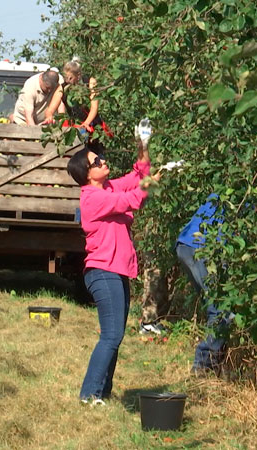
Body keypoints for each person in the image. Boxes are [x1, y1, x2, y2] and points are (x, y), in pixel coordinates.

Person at [66, 128, 161, 405]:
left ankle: (101, 395)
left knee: (114, 337)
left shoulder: (107, 187)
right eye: (97, 162)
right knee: (111, 335)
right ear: (86, 173)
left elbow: (138, 175)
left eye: (102, 158)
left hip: (117, 270)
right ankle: (89, 394)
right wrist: (147, 185)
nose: (103, 162)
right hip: (103, 271)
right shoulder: (92, 198)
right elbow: (129, 199)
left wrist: (143, 143)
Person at [175, 193, 234, 375]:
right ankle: (203, 365)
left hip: (185, 245)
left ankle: (215, 365)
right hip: (204, 248)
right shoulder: (246, 196)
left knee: (214, 307)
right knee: (222, 311)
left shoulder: (225, 189)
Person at [52, 59, 113, 151]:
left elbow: (94, 107)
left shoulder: (90, 82)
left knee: (95, 153)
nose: (67, 81)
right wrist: (49, 116)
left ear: (78, 75)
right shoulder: (63, 87)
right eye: (65, 77)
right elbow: (51, 108)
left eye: (70, 78)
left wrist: (86, 123)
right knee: (77, 150)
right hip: (76, 125)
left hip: (92, 123)